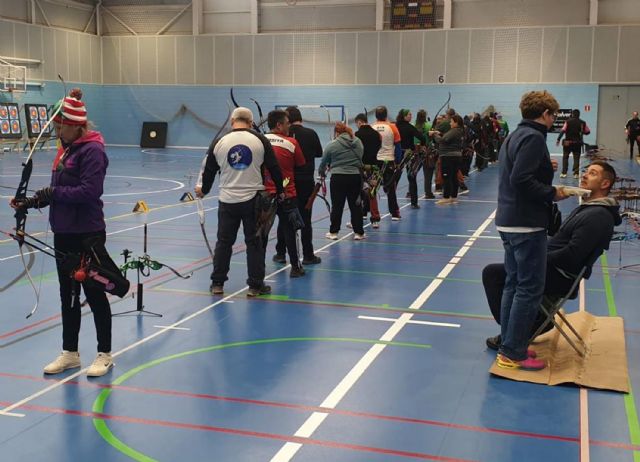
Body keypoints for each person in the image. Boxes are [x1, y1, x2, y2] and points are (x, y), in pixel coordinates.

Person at [11, 88, 120, 377]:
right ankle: (70, 353)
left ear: (76, 126)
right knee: (68, 294)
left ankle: (104, 354)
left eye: (61, 126)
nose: (57, 130)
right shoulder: (67, 147)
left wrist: (53, 192)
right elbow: (58, 192)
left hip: (87, 232)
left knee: (95, 293)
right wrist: (32, 202)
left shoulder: (93, 150)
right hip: (64, 232)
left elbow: (90, 190)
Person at [484, 160, 621, 350]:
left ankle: (519, 330)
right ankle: (525, 325)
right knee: (505, 269)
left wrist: (536, 257)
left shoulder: (598, 215)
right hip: (552, 267)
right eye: (586, 171)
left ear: (605, 184)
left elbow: (572, 256)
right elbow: (564, 241)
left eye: (593, 173)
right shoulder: (590, 208)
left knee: (494, 275)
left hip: (561, 276)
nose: (585, 175)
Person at [494, 90, 570, 371]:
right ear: (546, 114)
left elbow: (519, 170)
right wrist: (553, 192)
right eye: (553, 116)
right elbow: (521, 179)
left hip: (509, 219)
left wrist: (543, 167)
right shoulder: (535, 137)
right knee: (528, 288)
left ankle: (509, 342)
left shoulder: (515, 135)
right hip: (525, 224)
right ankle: (512, 352)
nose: (554, 122)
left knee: (513, 284)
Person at [196, 107, 284, 297]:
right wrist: (281, 190)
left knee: (224, 243)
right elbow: (274, 168)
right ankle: (255, 286)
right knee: (254, 243)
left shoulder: (220, 142)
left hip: (227, 200)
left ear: (232, 122)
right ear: (251, 123)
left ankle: (217, 283)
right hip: (253, 201)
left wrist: (203, 190)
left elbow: (209, 171)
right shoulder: (260, 140)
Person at [272, 106, 323, 266]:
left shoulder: (281, 137)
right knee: (305, 218)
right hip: (305, 181)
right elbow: (319, 153)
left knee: (285, 218)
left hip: (287, 183)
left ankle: (281, 253)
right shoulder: (310, 133)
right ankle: (308, 255)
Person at [264, 110, 307, 278]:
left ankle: (258, 271)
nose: (289, 126)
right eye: (287, 123)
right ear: (279, 125)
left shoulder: (261, 141)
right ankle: (295, 267)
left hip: (265, 194)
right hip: (287, 193)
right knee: (290, 231)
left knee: (262, 233)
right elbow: (301, 164)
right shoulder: (291, 142)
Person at [318, 122, 365, 240]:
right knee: (356, 205)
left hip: (338, 177)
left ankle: (333, 232)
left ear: (337, 133)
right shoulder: (358, 141)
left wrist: (321, 172)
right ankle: (358, 233)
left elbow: (324, 162)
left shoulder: (332, 144)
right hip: (355, 176)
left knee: (337, 205)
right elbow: (361, 155)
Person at [371, 106, 402, 220]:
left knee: (372, 187)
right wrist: (398, 161)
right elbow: (398, 146)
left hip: (375, 161)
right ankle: (394, 213)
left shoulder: (372, 127)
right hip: (388, 160)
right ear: (386, 115)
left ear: (376, 115)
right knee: (390, 188)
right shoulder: (392, 127)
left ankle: (368, 213)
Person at [355, 113, 382, 228]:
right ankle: (375, 219)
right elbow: (379, 147)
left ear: (360, 122)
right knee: (372, 193)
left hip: (361, 167)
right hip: (374, 166)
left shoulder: (356, 135)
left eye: (357, 123)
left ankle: (357, 218)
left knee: (358, 192)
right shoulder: (376, 134)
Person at [430, 114, 465, 205]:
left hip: (448, 156)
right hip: (456, 156)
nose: (450, 123)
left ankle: (446, 197)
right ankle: (453, 197)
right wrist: (439, 133)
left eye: (451, 121)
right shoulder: (459, 131)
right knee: (453, 176)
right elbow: (447, 137)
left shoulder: (454, 131)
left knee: (446, 176)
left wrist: (434, 134)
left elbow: (443, 141)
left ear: (456, 122)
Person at [395, 109, 426, 209]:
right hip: (408, 154)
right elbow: (422, 138)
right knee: (412, 177)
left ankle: (392, 202)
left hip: (398, 154)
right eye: (409, 114)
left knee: (395, 178)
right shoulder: (410, 127)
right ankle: (414, 202)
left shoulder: (395, 126)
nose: (411, 116)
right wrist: (422, 145)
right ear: (404, 116)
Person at [556, 109, 591, 178]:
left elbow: (563, 131)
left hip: (567, 143)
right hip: (577, 144)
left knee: (565, 158)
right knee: (576, 158)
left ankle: (564, 173)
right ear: (579, 115)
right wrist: (582, 132)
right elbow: (588, 132)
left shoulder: (568, 122)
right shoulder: (583, 122)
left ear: (572, 114)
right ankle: (576, 174)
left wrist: (558, 139)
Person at [414, 109, 436, 199]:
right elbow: (432, 139)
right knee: (428, 173)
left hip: (415, 151)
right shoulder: (429, 125)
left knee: (412, 173)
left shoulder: (413, 125)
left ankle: (410, 192)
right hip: (426, 151)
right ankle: (428, 193)